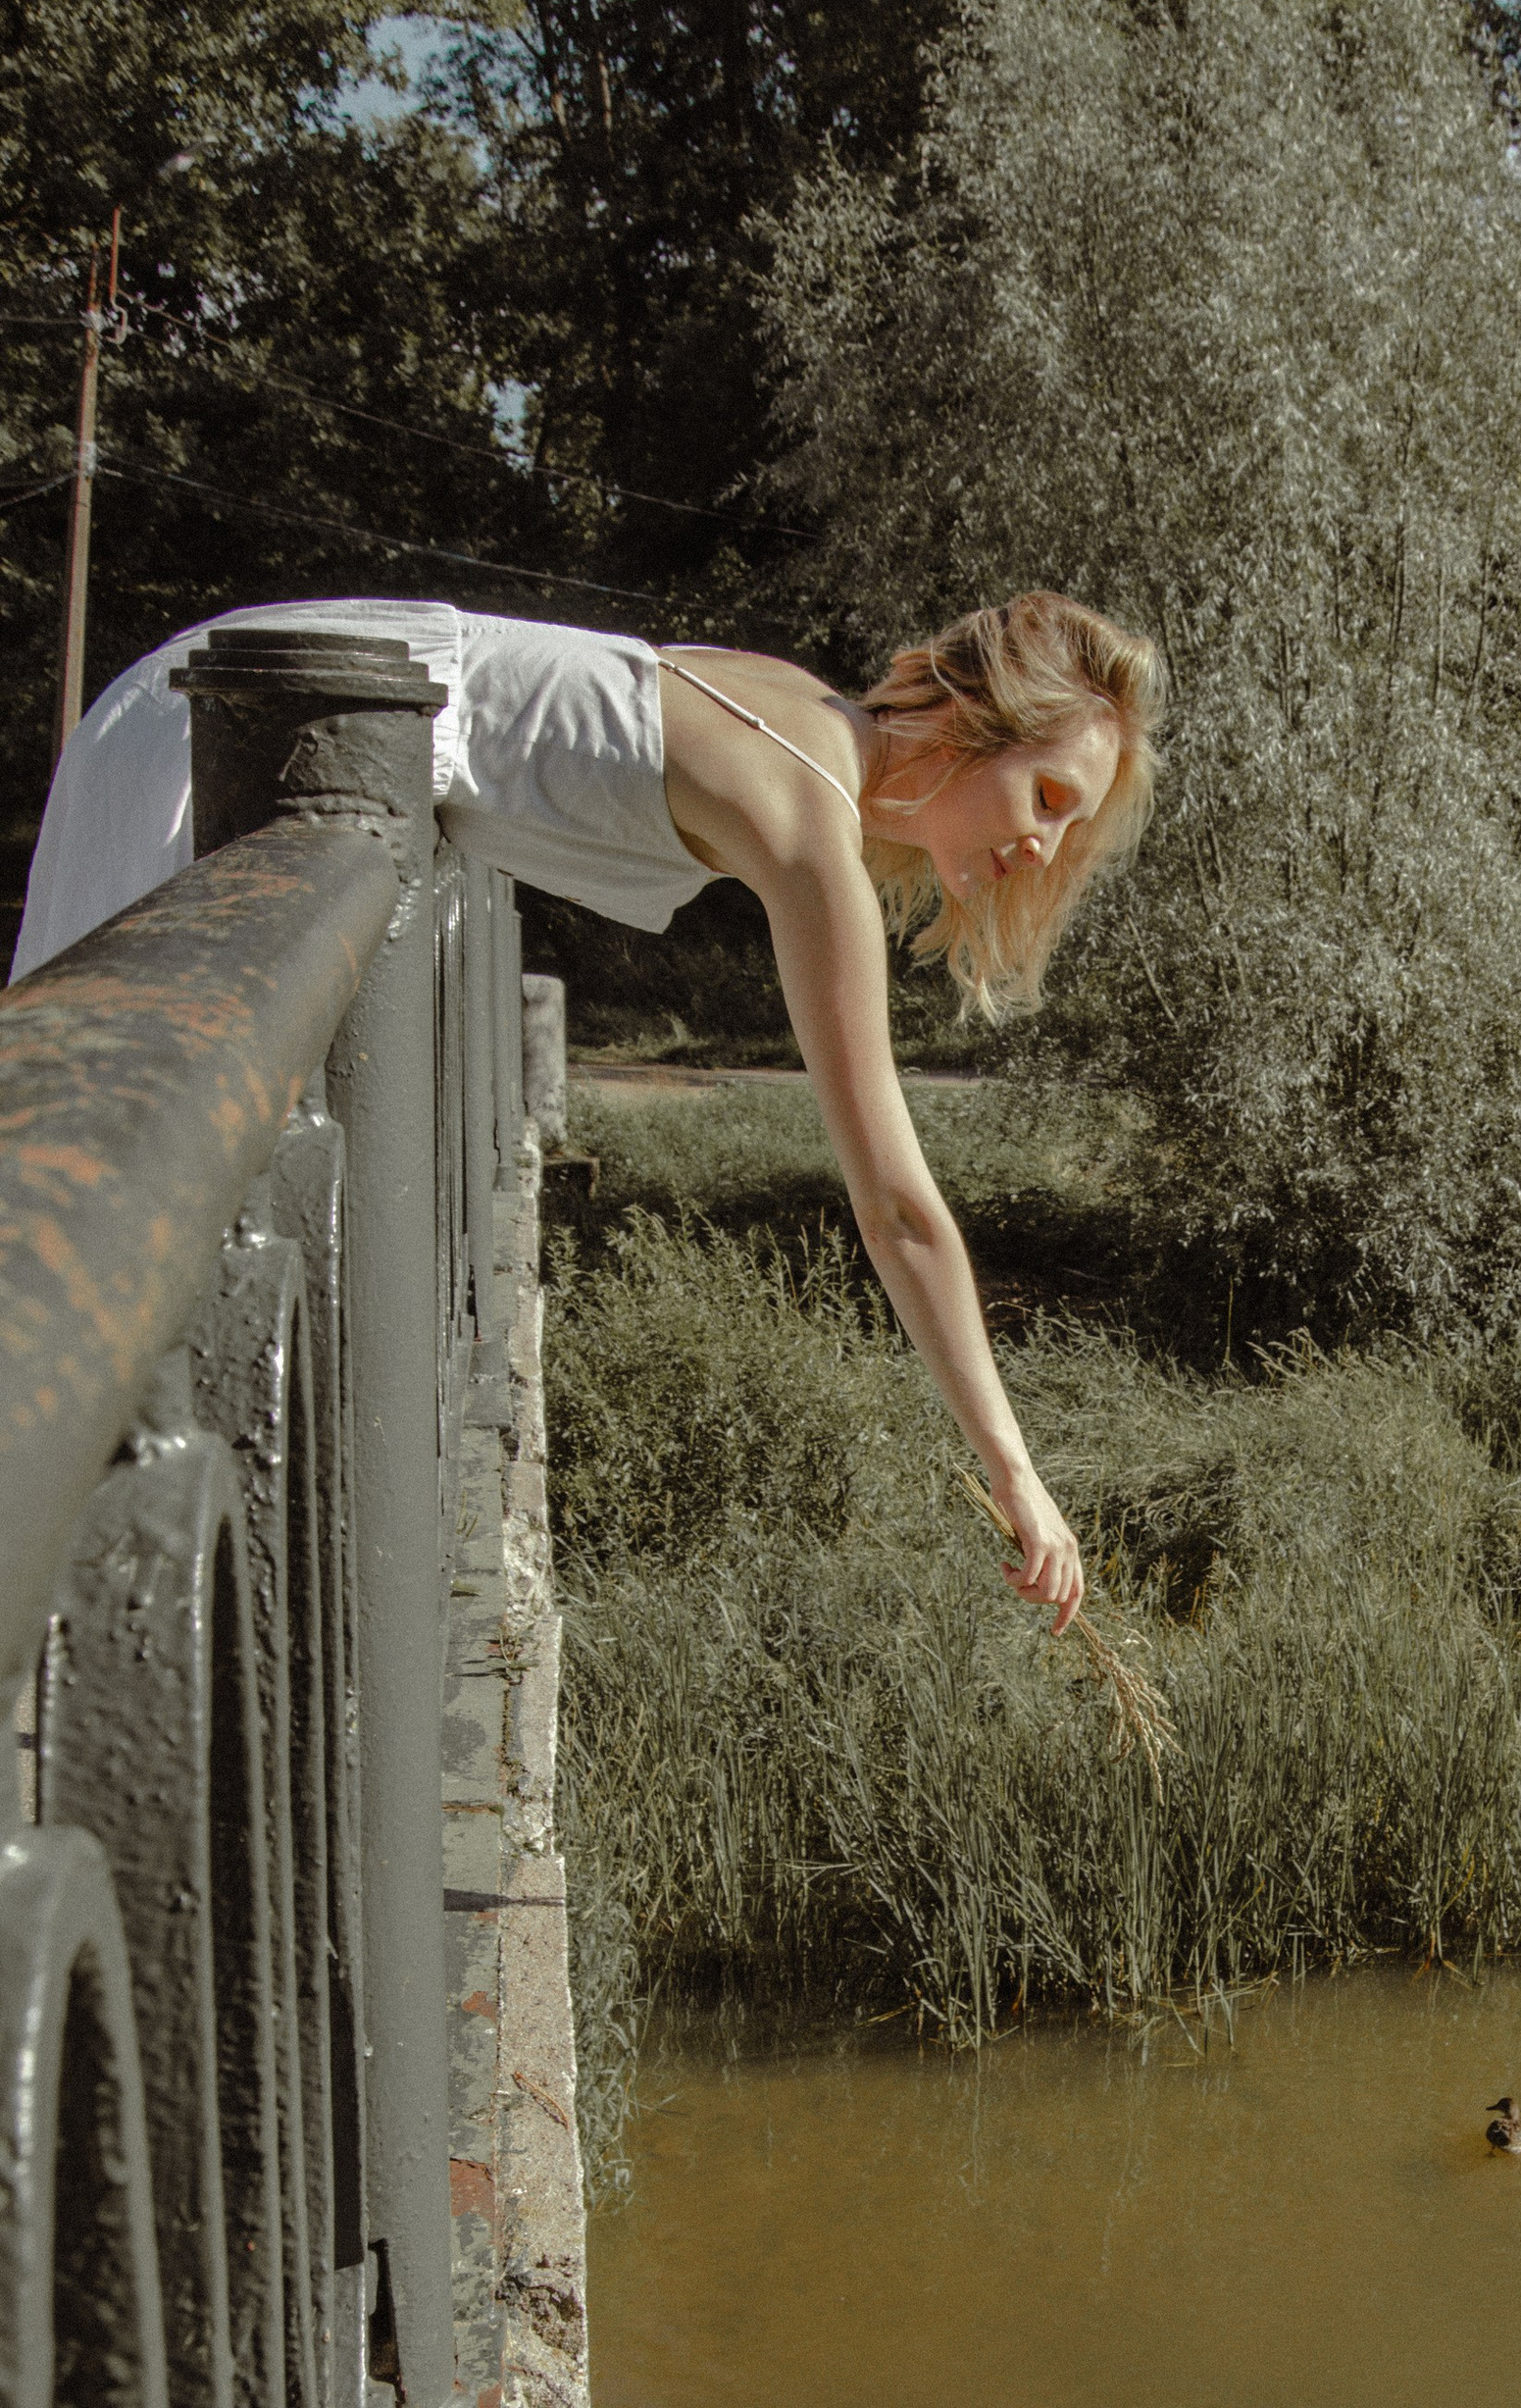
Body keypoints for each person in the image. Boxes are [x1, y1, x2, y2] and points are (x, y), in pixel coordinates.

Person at [12, 589, 1164, 1630]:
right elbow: (899, 1212)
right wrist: (1018, 1476)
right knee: (78, 1170)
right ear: (975, 720)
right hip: (245, 713)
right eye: (1049, 794)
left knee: (85, 1173)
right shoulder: (810, 820)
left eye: (1073, 825)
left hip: (279, 697)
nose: (1044, 844)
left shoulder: (803, 710)